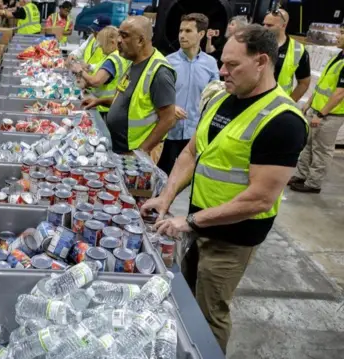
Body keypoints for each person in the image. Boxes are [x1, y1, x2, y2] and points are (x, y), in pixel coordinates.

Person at [142, 25, 307, 353]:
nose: (222, 70)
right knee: (184, 298)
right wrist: (166, 197)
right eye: (223, 62)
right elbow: (192, 152)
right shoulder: (221, 99)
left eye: (232, 65)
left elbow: (260, 199)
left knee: (209, 313)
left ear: (261, 62)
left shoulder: (282, 120)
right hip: (198, 222)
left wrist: (189, 222)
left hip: (232, 238)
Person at [83, 16, 176, 162]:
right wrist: (99, 101)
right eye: (119, 34)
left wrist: (141, 152)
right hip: (120, 149)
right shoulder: (133, 63)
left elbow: (168, 119)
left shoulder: (160, 72)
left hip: (136, 154)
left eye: (124, 36)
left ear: (140, 40)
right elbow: (127, 99)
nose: (118, 40)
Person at [159, 14, 219, 175]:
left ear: (201, 34)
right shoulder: (167, 62)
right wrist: (170, 107)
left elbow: (215, 97)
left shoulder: (211, 64)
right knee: (161, 178)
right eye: (180, 30)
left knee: (188, 180)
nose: (182, 35)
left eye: (188, 31)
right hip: (168, 132)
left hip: (195, 134)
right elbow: (154, 95)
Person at [289, 24, 344, 193]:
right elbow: (323, 85)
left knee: (321, 150)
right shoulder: (340, 56)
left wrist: (321, 114)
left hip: (330, 114)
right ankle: (301, 175)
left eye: (342, 33)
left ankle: (313, 183)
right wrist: (310, 102)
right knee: (308, 145)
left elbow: (340, 93)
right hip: (317, 109)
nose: (338, 36)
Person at [75, 26, 129, 118]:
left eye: (102, 43)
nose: (99, 46)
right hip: (110, 105)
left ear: (112, 43)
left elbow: (96, 81)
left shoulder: (113, 59)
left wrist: (79, 70)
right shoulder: (114, 56)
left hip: (104, 108)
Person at [262, 9, 311, 101]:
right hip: (252, 99)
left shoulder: (298, 50)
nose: (264, 28)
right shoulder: (255, 43)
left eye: (269, 25)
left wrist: (289, 103)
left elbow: (304, 83)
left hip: (277, 102)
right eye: (264, 24)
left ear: (283, 25)